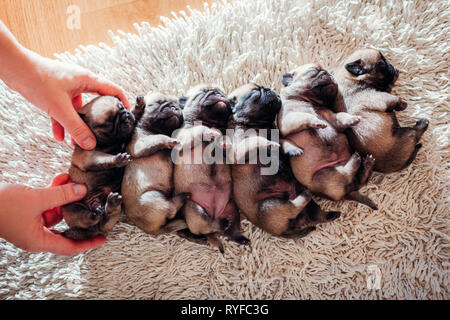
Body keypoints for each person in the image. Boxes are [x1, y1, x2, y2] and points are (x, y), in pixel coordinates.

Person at [0, 20, 131, 256]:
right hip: (93, 197)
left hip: (97, 191)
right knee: (103, 216)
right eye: (108, 121)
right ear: (85, 124)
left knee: (104, 215)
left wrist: (27, 69)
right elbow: (93, 162)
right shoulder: (86, 152)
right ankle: (108, 209)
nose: (122, 120)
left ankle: (107, 209)